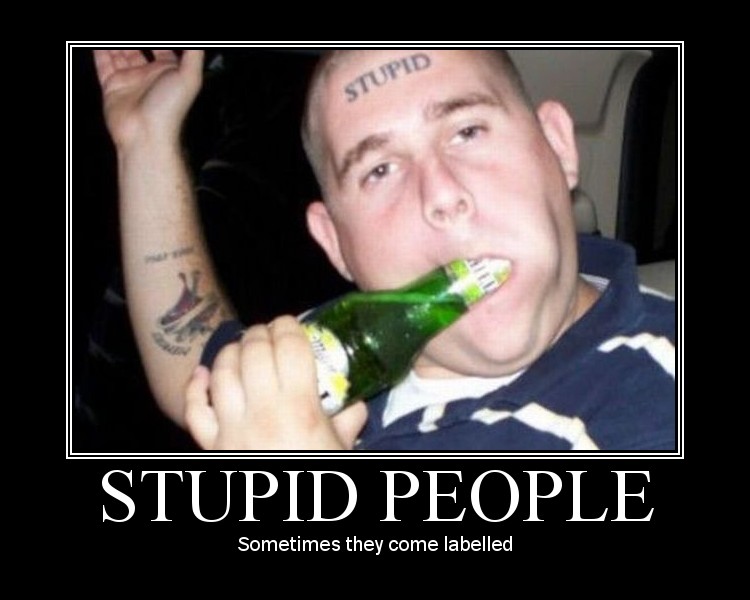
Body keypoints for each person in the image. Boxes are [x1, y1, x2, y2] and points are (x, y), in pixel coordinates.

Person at [93, 48, 675, 451]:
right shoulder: (352, 338)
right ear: (335, 244)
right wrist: (145, 142)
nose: (441, 195)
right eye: (380, 169)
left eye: (467, 131)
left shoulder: (658, 396)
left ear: (559, 147)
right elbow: (197, 373)